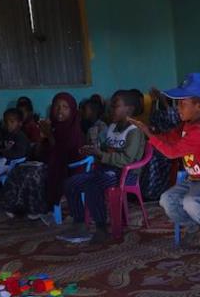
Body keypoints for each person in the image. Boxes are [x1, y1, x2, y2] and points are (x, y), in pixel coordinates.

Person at [129, 73, 200, 238]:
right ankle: (193, 227)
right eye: (177, 103)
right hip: (193, 179)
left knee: (190, 202)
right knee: (166, 199)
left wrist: (148, 134)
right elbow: (169, 137)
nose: (178, 108)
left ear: (199, 106)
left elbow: (171, 153)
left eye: (182, 104)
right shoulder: (188, 124)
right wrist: (151, 132)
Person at [58, 90, 145, 244]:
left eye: (115, 106)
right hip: (106, 171)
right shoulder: (112, 127)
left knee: (93, 185)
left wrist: (103, 154)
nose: (111, 109)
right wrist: (92, 150)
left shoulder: (135, 131)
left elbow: (126, 159)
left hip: (125, 175)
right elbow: (105, 148)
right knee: (70, 183)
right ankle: (79, 223)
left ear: (129, 109)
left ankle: (101, 228)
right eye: (111, 106)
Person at [0, 93, 84, 221]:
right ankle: (14, 206)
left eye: (65, 107)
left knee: (34, 173)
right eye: (57, 106)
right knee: (20, 169)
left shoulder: (74, 130)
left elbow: (62, 153)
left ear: (72, 110)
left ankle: (37, 208)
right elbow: (40, 153)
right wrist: (42, 137)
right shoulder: (52, 126)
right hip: (51, 164)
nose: (60, 110)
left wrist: (49, 135)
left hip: (67, 169)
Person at [139, 87, 181, 202]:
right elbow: (152, 119)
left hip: (171, 148)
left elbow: (172, 118)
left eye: (166, 100)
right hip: (159, 145)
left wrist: (161, 98)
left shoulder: (177, 112)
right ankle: (146, 191)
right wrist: (154, 101)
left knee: (153, 160)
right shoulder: (158, 113)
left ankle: (152, 193)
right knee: (145, 156)